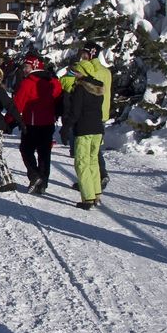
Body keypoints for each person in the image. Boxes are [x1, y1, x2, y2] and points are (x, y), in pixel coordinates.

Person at [11, 53, 63, 194]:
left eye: (27, 66)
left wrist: (9, 121)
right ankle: (43, 183)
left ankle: (34, 176)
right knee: (44, 153)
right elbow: (59, 97)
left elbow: (17, 104)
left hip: (32, 123)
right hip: (48, 123)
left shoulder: (28, 82)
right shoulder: (53, 81)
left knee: (26, 149)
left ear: (34, 67)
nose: (25, 69)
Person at [70, 42, 113, 188]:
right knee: (95, 149)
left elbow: (85, 88)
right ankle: (96, 178)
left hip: (90, 112)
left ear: (90, 54)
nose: (82, 56)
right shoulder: (106, 71)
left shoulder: (90, 71)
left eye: (84, 53)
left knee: (86, 153)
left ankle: (97, 177)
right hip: (103, 112)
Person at [61, 70, 105, 210]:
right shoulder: (98, 88)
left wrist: (66, 127)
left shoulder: (80, 89)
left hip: (84, 130)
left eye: (75, 72)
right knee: (93, 161)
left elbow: (75, 112)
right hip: (98, 129)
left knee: (82, 163)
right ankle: (96, 192)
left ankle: (88, 197)